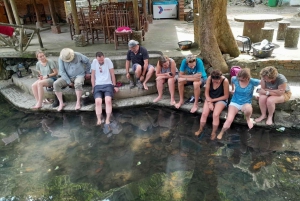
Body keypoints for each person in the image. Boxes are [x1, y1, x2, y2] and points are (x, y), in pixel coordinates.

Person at [217, 68, 260, 140]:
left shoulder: (252, 81)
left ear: (247, 78)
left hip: (246, 103)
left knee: (249, 109)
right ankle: (221, 132)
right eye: (239, 79)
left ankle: (248, 119)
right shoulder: (235, 78)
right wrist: (233, 89)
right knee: (229, 119)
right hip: (235, 102)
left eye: (242, 79)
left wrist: (259, 92)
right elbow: (232, 80)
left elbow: (264, 82)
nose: (240, 80)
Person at [195, 69, 229, 140]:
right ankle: (200, 129)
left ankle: (213, 132)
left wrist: (212, 101)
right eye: (214, 81)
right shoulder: (209, 79)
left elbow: (226, 96)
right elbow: (206, 93)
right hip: (210, 98)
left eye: (217, 81)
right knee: (204, 113)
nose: (216, 82)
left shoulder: (225, 81)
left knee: (215, 115)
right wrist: (209, 102)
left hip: (220, 99)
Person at [91, 52, 119, 126]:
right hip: (98, 85)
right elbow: (92, 76)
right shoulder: (94, 62)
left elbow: (112, 74)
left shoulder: (108, 61)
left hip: (108, 84)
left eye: (102, 60)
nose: (101, 62)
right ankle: (99, 118)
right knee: (98, 101)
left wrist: (115, 85)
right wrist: (93, 87)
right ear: (96, 59)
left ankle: (107, 118)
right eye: (99, 60)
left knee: (108, 100)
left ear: (104, 57)